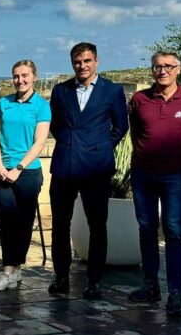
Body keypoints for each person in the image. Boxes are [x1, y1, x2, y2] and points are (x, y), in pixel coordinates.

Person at [47, 43, 129, 300]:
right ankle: (60, 277)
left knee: (97, 225)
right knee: (60, 224)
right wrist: (71, 144)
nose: (82, 66)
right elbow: (56, 125)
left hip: (95, 168)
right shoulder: (60, 91)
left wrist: (100, 147)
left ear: (96, 61)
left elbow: (121, 127)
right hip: (65, 165)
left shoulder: (112, 91)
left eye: (87, 61)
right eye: (77, 62)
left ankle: (94, 280)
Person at [127, 52, 181, 315]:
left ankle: (176, 293)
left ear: (178, 69)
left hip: (174, 175)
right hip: (143, 174)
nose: (163, 71)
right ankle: (150, 285)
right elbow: (136, 133)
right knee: (146, 229)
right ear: (152, 70)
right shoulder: (139, 99)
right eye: (158, 67)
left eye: (169, 66)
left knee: (173, 231)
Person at [0, 60, 51, 292]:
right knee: (7, 221)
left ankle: (14, 269)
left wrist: (19, 168)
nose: (20, 80)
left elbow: (40, 142)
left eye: (24, 75)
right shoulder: (4, 103)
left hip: (28, 173)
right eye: (16, 76)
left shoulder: (41, 106)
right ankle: (9, 269)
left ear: (34, 76)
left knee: (23, 223)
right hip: (2, 171)